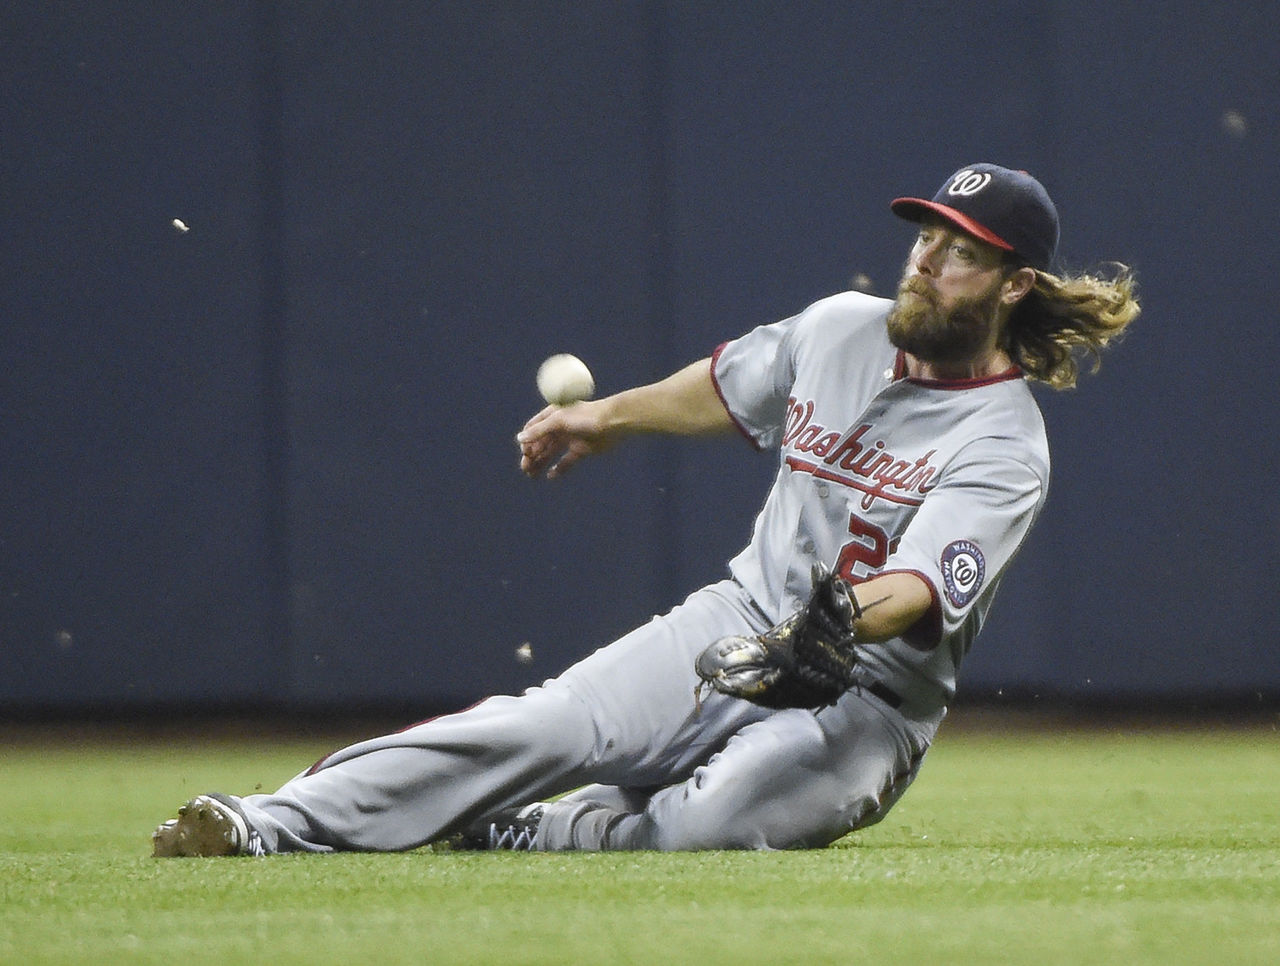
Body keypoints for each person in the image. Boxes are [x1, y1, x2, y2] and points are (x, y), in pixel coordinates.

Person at [152, 162, 1139, 857]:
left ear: (1015, 285)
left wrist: (837, 617)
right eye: (925, 235)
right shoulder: (838, 329)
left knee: (700, 830)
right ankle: (270, 818)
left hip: (863, 701)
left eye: (959, 251)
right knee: (547, 728)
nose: (924, 261)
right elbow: (725, 386)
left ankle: (528, 827)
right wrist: (605, 419)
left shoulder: (1004, 441)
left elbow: (922, 588)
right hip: (736, 620)